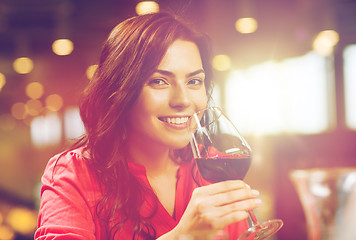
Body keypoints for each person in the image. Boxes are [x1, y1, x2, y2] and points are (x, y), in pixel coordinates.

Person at [35, 12, 261, 240]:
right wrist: (181, 236)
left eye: (194, 81)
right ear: (120, 90)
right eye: (159, 81)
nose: (182, 100)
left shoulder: (213, 167)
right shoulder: (73, 175)